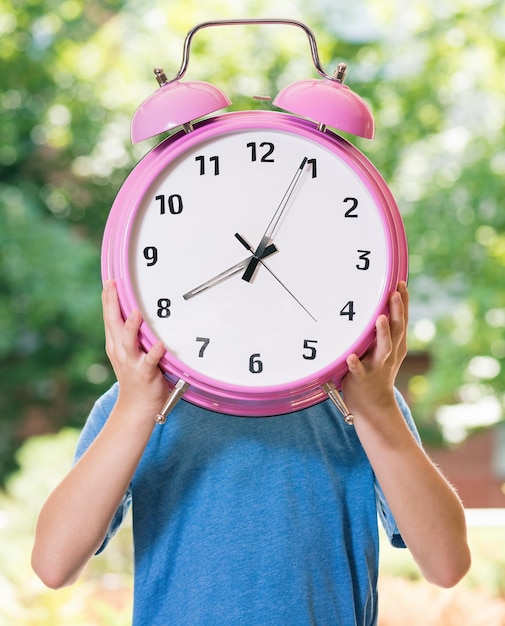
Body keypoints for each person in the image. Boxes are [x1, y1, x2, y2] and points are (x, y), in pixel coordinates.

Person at [32, 280, 471, 625]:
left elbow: (446, 564)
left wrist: (377, 408)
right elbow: (53, 565)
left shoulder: (363, 397)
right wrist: (135, 407)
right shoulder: (136, 399)